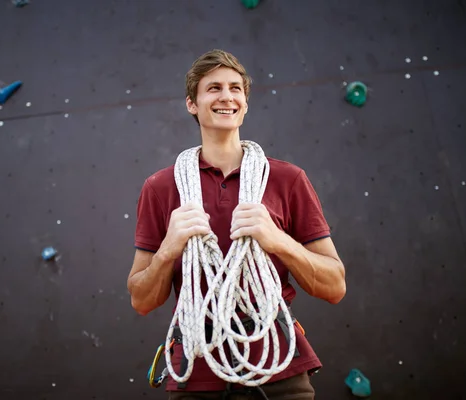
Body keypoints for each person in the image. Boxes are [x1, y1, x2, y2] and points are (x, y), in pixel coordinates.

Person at [127, 49, 346, 400]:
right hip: (196, 375)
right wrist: (168, 250)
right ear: (192, 104)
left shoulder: (286, 179)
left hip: (277, 369)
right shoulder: (162, 188)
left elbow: (334, 286)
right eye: (213, 88)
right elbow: (141, 300)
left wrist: (277, 240)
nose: (226, 97)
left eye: (235, 89)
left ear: (244, 103)